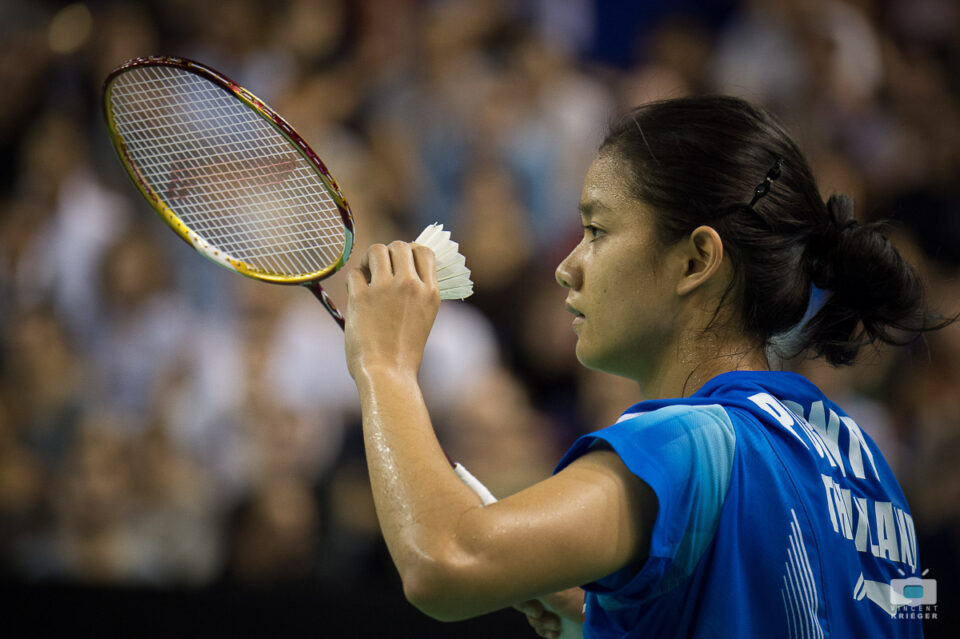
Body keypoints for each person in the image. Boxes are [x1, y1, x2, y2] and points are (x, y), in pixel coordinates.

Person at [341, 96, 943, 638]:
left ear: (696, 259)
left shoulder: (689, 442)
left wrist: (385, 365)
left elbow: (442, 563)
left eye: (597, 230)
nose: (567, 267)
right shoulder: (865, 464)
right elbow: (909, 603)